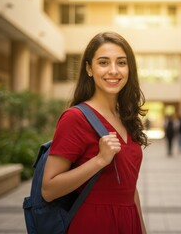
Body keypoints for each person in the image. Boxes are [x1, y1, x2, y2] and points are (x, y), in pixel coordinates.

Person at [41, 32, 149, 234]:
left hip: (128, 222)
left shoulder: (126, 117)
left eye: (122, 63)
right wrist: (99, 160)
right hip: (94, 224)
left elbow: (129, 186)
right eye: (103, 62)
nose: (114, 71)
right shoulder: (75, 118)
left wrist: (141, 229)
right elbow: (48, 190)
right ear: (89, 69)